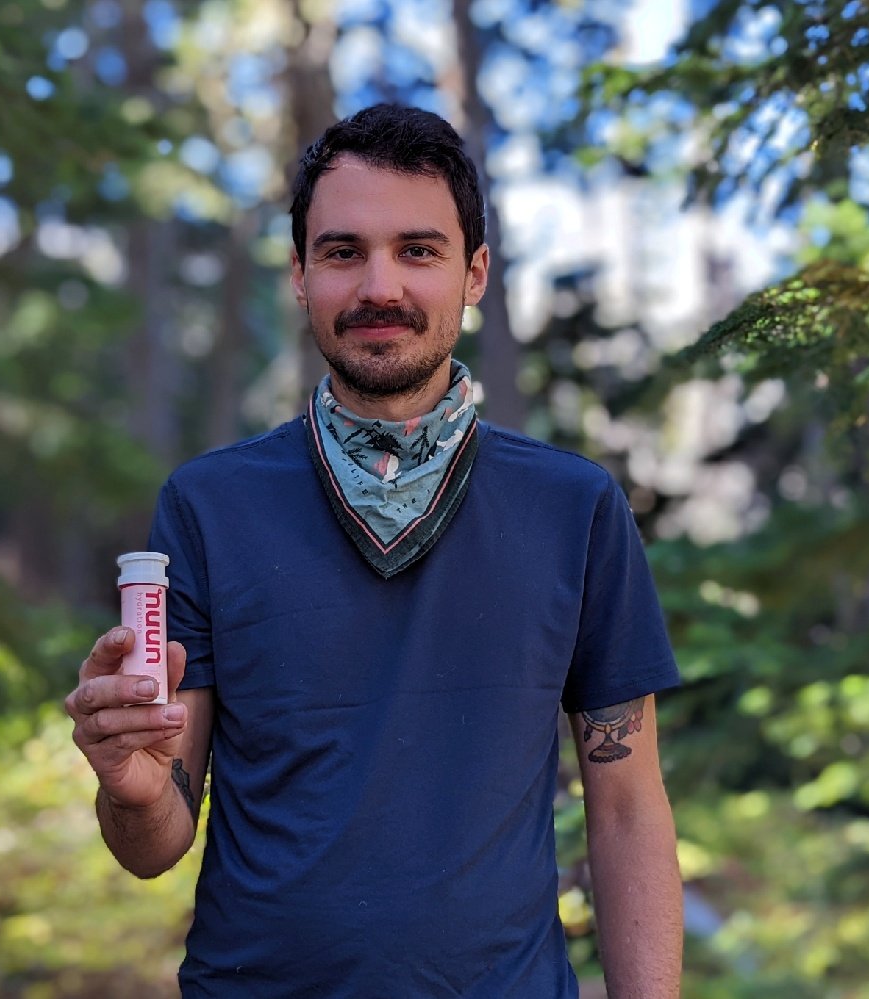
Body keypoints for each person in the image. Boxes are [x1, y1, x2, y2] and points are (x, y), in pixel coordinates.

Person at [65, 104, 683, 998]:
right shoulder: (209, 505)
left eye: (419, 250)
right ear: (301, 274)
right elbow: (156, 842)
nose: (378, 286)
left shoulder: (573, 506)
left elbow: (626, 806)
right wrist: (128, 786)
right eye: (344, 251)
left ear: (474, 274)